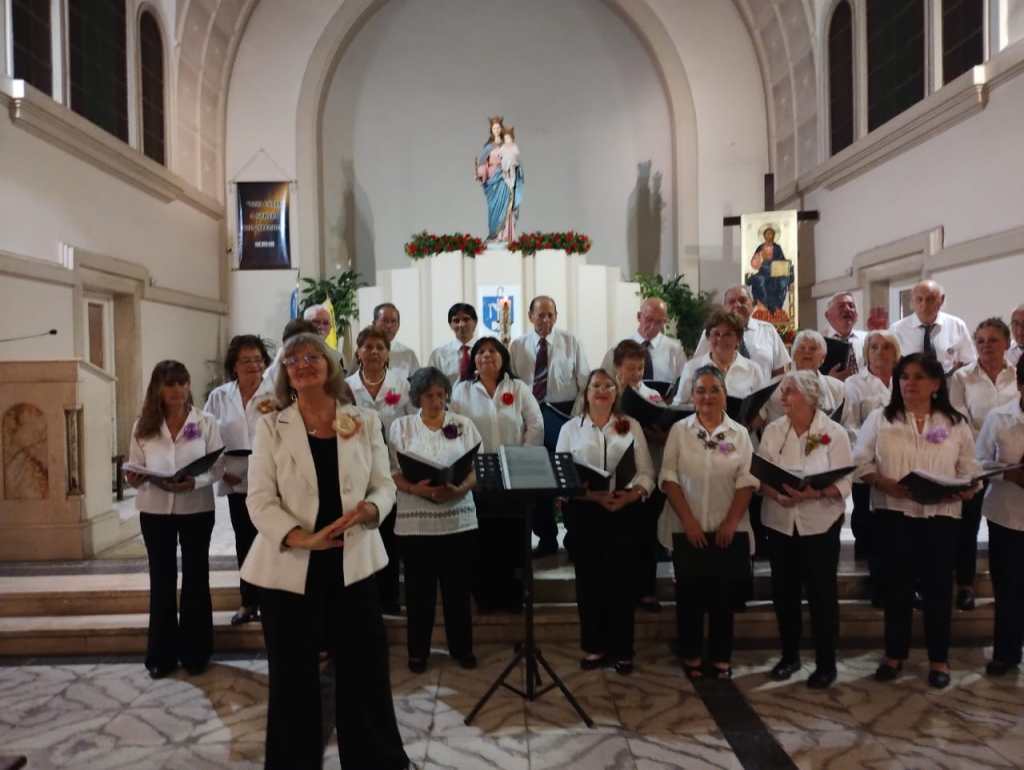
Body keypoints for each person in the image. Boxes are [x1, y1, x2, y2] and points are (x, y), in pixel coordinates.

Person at [240, 332, 407, 770]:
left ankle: (377, 761)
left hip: (353, 562)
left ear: (330, 364)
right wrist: (301, 537)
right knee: (294, 681)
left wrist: (373, 507)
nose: (303, 363)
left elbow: (384, 483)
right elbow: (258, 500)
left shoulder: (363, 420)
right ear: (285, 373)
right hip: (292, 568)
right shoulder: (272, 426)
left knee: (365, 674)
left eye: (313, 355)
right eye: (293, 359)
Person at [854, 353, 980, 689]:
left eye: (919, 377)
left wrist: (964, 489)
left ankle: (939, 659)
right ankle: (894, 655)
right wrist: (884, 483)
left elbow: (971, 469)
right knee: (896, 590)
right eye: (905, 376)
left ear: (937, 384)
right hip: (894, 516)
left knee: (939, 590)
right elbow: (860, 462)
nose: (910, 383)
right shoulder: (882, 418)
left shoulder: (955, 423)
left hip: (941, 518)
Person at [125, 361, 224, 679]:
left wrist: (194, 482)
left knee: (196, 577)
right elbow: (135, 466)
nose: (177, 390)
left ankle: (197, 652)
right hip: (155, 509)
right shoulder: (143, 425)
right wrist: (135, 478)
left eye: (182, 383)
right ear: (157, 388)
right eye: (170, 384)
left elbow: (218, 467)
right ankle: (161, 655)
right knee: (162, 580)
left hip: (196, 507)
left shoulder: (205, 421)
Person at [658, 366, 758, 680]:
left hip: (729, 529)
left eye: (714, 389)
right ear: (692, 395)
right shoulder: (680, 431)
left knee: (723, 598)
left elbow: (747, 480)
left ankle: (720, 657)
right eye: (700, 390)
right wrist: (688, 522)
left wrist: (730, 523)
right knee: (689, 597)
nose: (707, 396)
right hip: (687, 526)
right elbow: (669, 476)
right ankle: (690, 654)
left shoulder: (739, 434)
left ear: (725, 395)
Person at [556, 368, 655, 675]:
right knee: (590, 584)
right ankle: (594, 647)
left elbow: (646, 473)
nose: (601, 390)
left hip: (624, 512)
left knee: (622, 585)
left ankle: (623, 650)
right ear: (585, 394)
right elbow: (562, 477)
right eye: (595, 385)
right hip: (586, 515)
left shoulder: (631, 426)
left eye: (608, 385)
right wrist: (592, 496)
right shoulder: (571, 428)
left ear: (616, 393)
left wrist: (631, 495)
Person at [757, 371, 853, 689]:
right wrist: (775, 493)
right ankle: (789, 656)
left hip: (819, 524)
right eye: (783, 393)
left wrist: (816, 493)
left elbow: (844, 480)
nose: (783, 398)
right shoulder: (774, 431)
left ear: (811, 396)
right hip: (781, 523)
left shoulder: (833, 432)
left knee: (822, 595)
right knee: (784, 594)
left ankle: (826, 663)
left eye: (790, 392)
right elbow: (759, 474)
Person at [389, 367, 481, 673]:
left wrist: (458, 489)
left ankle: (462, 648)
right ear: (417, 397)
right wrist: (416, 488)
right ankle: (418, 652)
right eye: (429, 395)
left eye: (440, 395)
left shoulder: (463, 424)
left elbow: (473, 470)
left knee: (457, 590)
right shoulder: (401, 427)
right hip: (417, 522)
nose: (435, 401)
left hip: (457, 518)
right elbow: (392, 471)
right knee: (418, 593)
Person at [451, 337, 543, 612]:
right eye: (480, 351)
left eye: (492, 351)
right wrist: (467, 466)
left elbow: (535, 424)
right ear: (473, 360)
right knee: (482, 537)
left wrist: (522, 459)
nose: (486, 355)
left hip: (512, 470)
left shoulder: (518, 388)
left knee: (512, 535)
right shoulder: (462, 390)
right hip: (475, 473)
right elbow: (453, 429)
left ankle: (514, 595)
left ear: (503, 357)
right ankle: (484, 596)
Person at [510, 295, 589, 556]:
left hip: (563, 416)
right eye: (540, 315)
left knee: (568, 477)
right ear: (530, 316)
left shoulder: (570, 342)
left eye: (550, 315)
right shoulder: (517, 346)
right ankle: (546, 537)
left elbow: (584, 383)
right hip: (531, 418)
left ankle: (575, 535)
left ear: (556, 316)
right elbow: (512, 385)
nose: (546, 320)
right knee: (538, 478)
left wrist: (574, 421)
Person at [204, 335, 275, 626]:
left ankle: (272, 601)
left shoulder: (276, 394)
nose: (253, 366)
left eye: (258, 360)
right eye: (246, 361)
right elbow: (206, 437)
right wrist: (221, 470)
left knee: (270, 538)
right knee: (245, 539)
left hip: (270, 476)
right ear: (234, 365)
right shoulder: (220, 396)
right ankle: (249, 601)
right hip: (234, 474)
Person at [948, 318, 1018, 611]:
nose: (986, 345)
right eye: (981, 341)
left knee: (1006, 528)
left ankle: (1011, 588)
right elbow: (958, 418)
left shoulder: (1017, 376)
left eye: (993, 340)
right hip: (973, 461)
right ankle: (965, 585)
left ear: (1006, 342)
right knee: (968, 525)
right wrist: (986, 441)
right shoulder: (962, 377)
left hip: (1012, 464)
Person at [346, 326, 414, 615]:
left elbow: (413, 424)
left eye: (380, 347)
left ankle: (389, 597)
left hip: (393, 470)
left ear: (388, 353)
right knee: (361, 534)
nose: (374, 352)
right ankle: (364, 598)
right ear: (358, 352)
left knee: (390, 534)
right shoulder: (345, 386)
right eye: (368, 346)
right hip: (356, 470)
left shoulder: (402, 385)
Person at [612, 338, 672, 612]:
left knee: (645, 536)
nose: (636, 374)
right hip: (615, 473)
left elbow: (664, 429)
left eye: (640, 368)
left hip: (648, 474)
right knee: (619, 538)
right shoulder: (605, 394)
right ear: (617, 368)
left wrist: (656, 432)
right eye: (630, 368)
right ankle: (620, 589)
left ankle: (646, 590)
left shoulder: (652, 397)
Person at [975, 357, 1024, 676]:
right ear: (1020, 383)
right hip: (1007, 514)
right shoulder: (1000, 418)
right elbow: (979, 462)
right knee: (1007, 588)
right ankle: (1006, 652)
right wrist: (1009, 475)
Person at [843, 331, 901, 600]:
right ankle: (871, 582)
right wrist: (875, 448)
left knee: (895, 530)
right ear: (866, 352)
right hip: (868, 465)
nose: (880, 352)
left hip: (900, 466)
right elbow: (850, 425)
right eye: (874, 347)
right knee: (868, 524)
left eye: (887, 347)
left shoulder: (904, 381)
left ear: (896, 352)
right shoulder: (854, 384)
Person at [671, 309, 766, 406]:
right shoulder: (691, 368)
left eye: (728, 334)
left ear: (738, 339)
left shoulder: (754, 370)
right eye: (716, 334)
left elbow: (761, 409)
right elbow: (678, 406)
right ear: (708, 337)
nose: (721, 339)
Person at [693, 286, 791, 379]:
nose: (737, 305)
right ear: (724, 308)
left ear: (752, 304)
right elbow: (698, 367)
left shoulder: (768, 330)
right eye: (731, 302)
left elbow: (779, 372)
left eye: (742, 300)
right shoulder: (712, 333)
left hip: (763, 394)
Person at [888, 280, 976, 374]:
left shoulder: (957, 325)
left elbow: (969, 362)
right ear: (912, 301)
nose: (924, 305)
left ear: (941, 300)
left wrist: (958, 370)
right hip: (912, 385)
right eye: (919, 299)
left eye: (930, 299)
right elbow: (890, 365)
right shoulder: (897, 330)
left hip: (949, 385)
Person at [758, 330, 845, 425]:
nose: (807, 352)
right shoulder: (774, 386)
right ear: (793, 355)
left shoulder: (838, 388)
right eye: (802, 348)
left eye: (813, 348)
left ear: (823, 358)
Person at [600, 297, 687, 385]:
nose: (653, 326)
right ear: (639, 316)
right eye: (649, 319)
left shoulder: (675, 350)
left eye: (659, 322)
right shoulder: (618, 350)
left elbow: (683, 384)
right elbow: (603, 382)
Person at [475, 116, 522, 242]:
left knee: (507, 204)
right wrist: (481, 173)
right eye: (494, 128)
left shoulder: (506, 144)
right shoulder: (489, 146)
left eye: (498, 127)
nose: (496, 130)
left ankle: (504, 234)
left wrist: (514, 167)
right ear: (491, 130)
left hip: (504, 177)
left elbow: (514, 159)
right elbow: (482, 163)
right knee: (494, 207)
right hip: (492, 179)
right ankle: (494, 233)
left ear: (501, 129)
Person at [264, 318, 343, 385]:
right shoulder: (271, 379)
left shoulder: (331, 365)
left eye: (311, 357)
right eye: (294, 360)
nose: (302, 365)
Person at [428, 303, 482, 385]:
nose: (461, 324)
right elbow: (430, 384)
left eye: (466, 319)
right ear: (450, 325)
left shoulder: (485, 351)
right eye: (456, 321)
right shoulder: (438, 355)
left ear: (475, 322)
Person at [747, 226, 792, 315]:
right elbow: (754, 263)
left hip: (776, 272)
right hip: (763, 271)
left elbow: (782, 260)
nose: (769, 236)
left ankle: (775, 308)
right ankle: (764, 307)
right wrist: (758, 258)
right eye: (767, 234)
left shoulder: (777, 247)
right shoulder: (761, 247)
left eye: (771, 234)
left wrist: (784, 264)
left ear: (774, 236)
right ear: (764, 236)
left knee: (782, 282)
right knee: (759, 280)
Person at [822, 291, 868, 379]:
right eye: (841, 306)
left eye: (851, 306)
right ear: (828, 315)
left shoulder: (867, 339)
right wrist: (829, 380)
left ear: (857, 315)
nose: (847, 309)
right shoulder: (819, 342)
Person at [373, 302, 420, 380]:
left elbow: (418, 385)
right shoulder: (364, 352)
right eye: (385, 321)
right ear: (374, 323)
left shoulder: (408, 354)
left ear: (398, 326)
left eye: (393, 321)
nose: (389, 326)